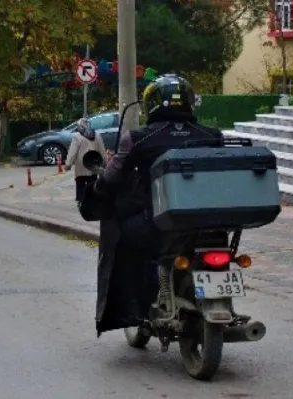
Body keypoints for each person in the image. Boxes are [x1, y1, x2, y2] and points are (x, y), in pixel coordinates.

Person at [87, 74, 224, 336]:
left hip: (160, 222)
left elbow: (114, 175)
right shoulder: (212, 134)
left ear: (152, 105)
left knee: (125, 238)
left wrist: (98, 186)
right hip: (211, 221)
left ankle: (136, 306)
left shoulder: (138, 137)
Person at [64, 117, 107, 208]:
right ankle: (92, 201)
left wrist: (68, 164)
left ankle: (81, 201)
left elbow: (72, 152)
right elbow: (102, 150)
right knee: (92, 182)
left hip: (81, 164)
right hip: (94, 162)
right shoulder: (97, 135)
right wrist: (104, 163)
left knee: (80, 183)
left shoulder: (77, 137)